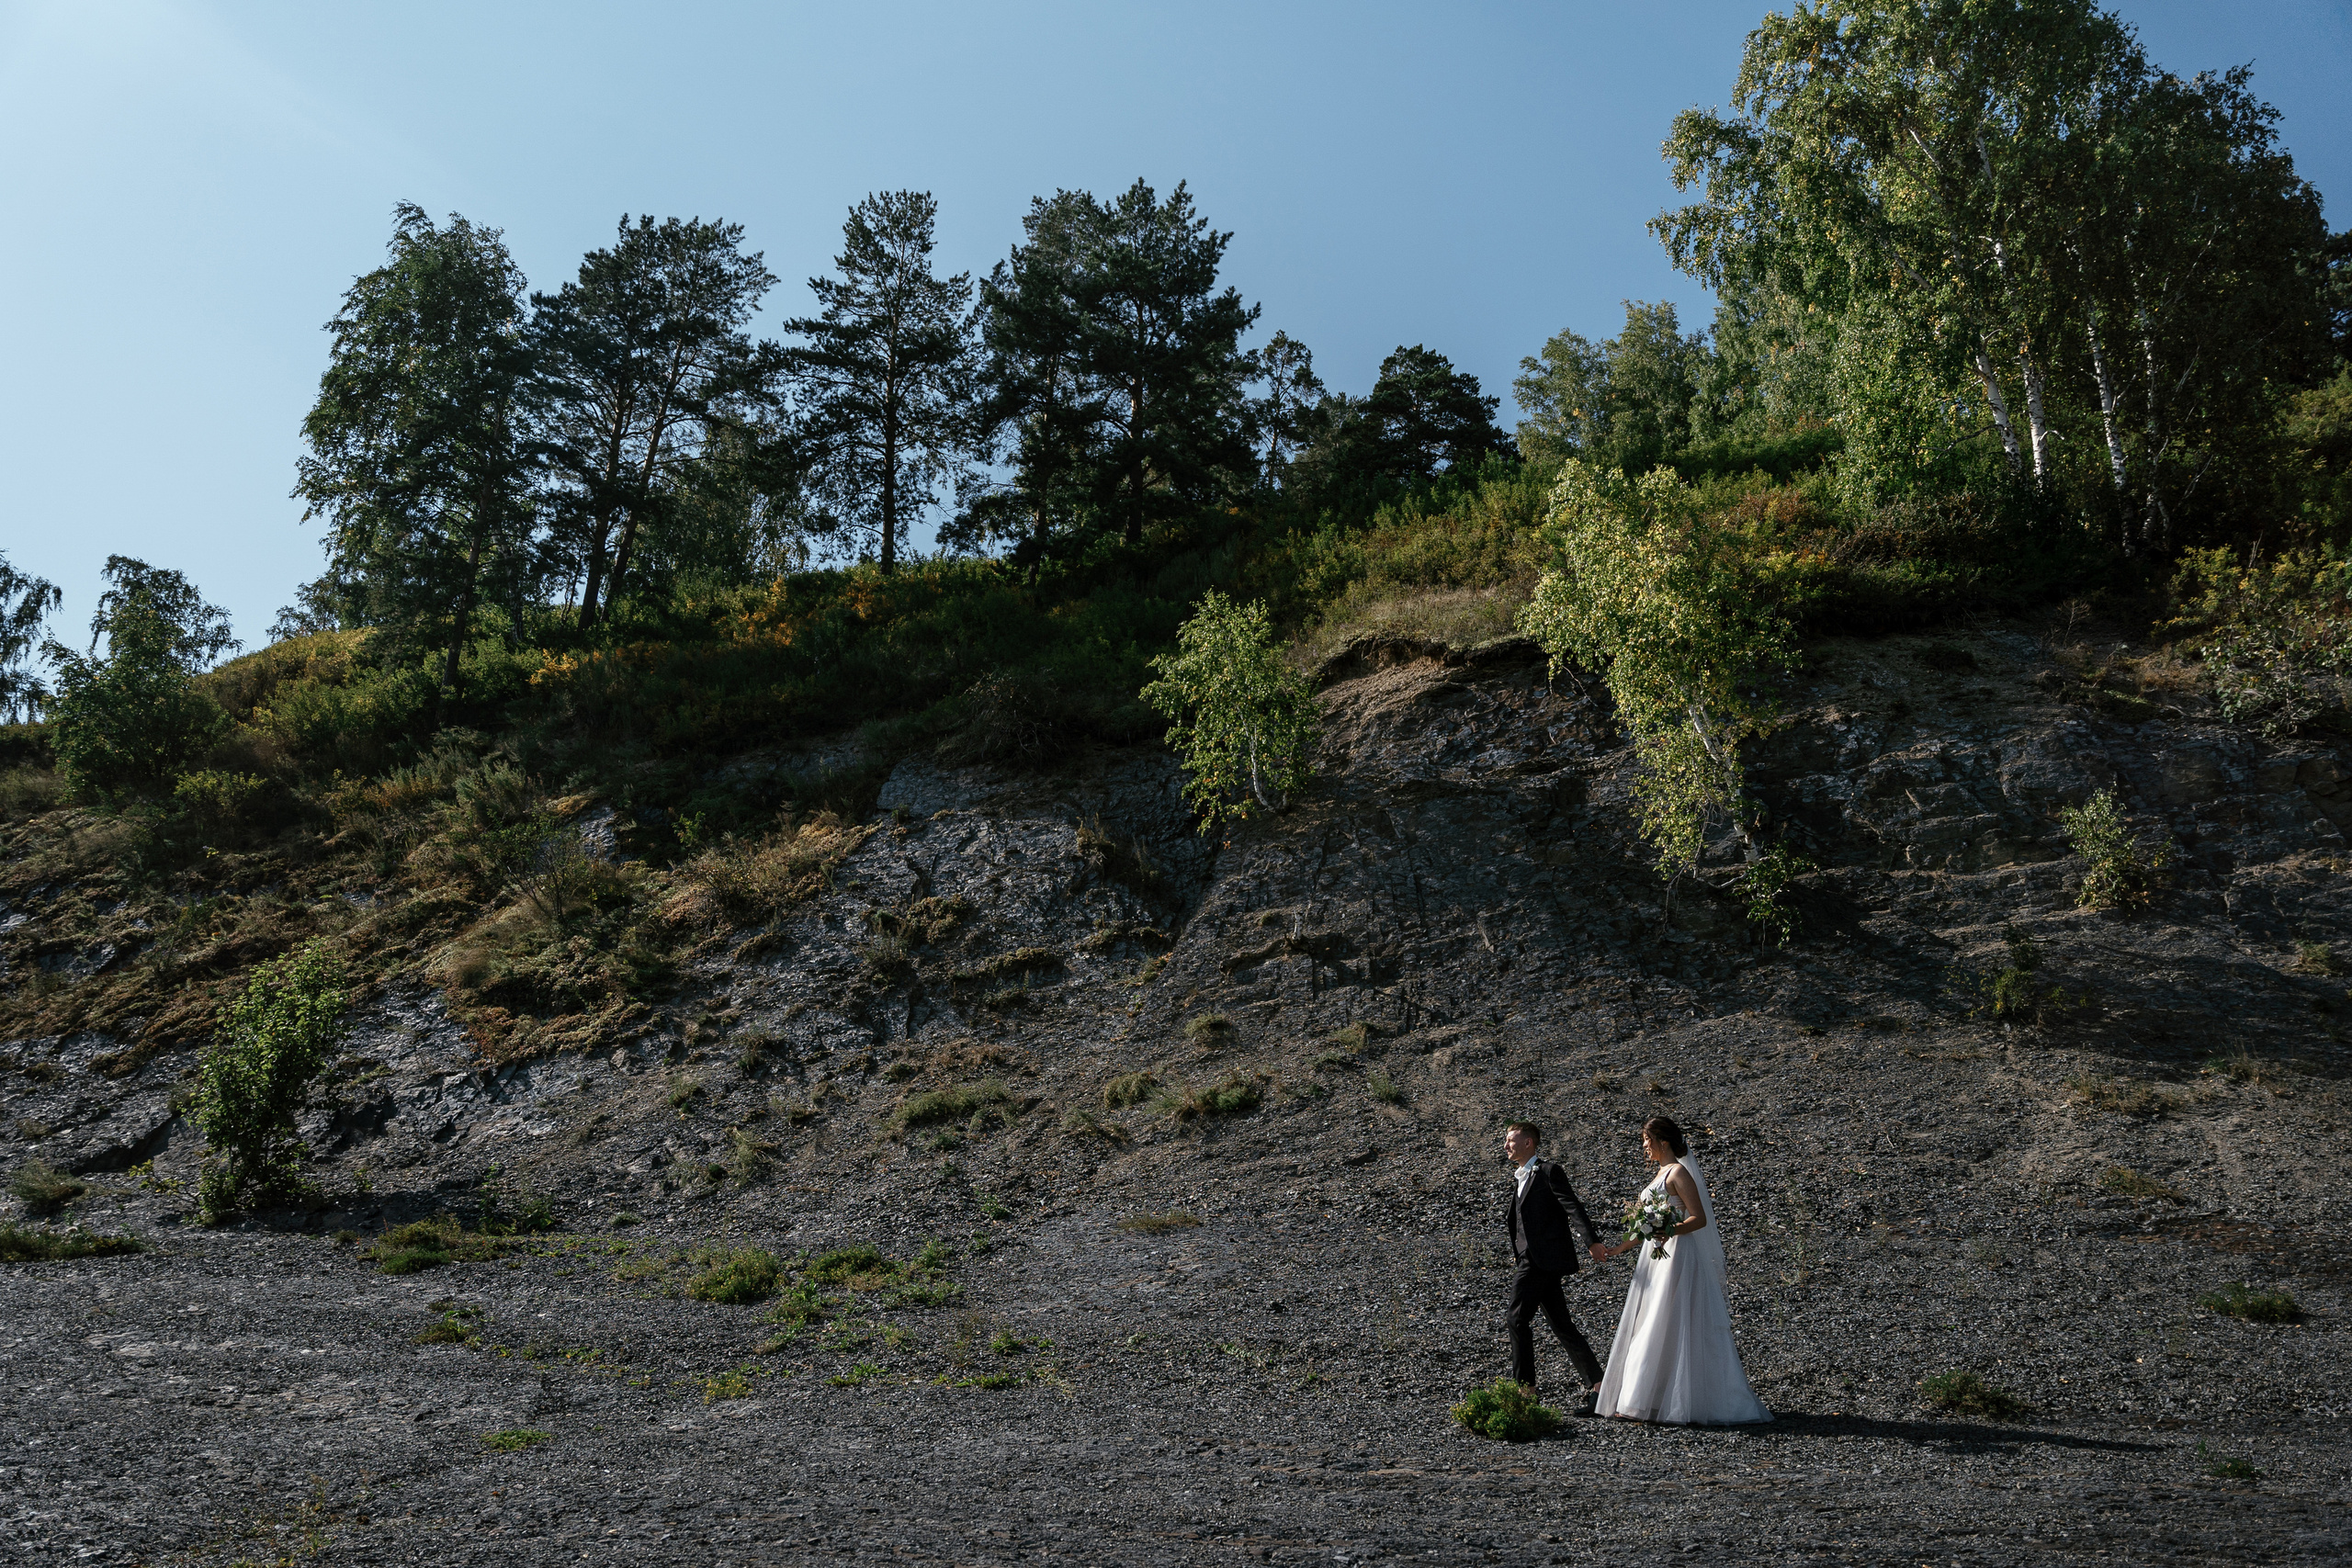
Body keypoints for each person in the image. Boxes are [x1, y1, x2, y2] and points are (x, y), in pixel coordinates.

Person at [1589, 1115, 1771, 1426]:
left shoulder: (1678, 1173)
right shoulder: (1659, 1175)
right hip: (1654, 1258)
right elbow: (1643, 1228)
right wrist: (1619, 1248)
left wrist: (1669, 1229)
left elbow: (1699, 1218)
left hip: (1676, 1257)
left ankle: (1640, 1402)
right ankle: (1654, 1399)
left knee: (1662, 1322)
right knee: (1653, 1322)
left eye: (1647, 1140)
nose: (1644, 1146)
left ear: (1663, 1141)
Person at [1499, 1120, 1605, 1412]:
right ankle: (1599, 1387)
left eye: (1511, 1140)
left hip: (1539, 1261)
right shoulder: (1521, 1177)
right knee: (1562, 1325)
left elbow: (1572, 1205)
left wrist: (1591, 1241)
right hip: (1532, 1260)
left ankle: (1526, 1393)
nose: (1506, 1145)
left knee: (1516, 1319)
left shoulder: (1548, 1171)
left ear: (1528, 1143)